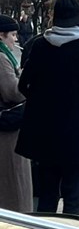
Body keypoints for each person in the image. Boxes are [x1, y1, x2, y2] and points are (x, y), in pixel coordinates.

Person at [16, 0, 79, 215]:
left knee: (47, 197)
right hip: (78, 136)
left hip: (45, 135)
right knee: (74, 199)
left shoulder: (41, 45)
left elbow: (24, 85)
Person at [0, 16, 33, 212]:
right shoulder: (1, 57)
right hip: (7, 129)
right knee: (14, 182)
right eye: (12, 35)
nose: (15, 39)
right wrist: (28, 84)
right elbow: (11, 90)